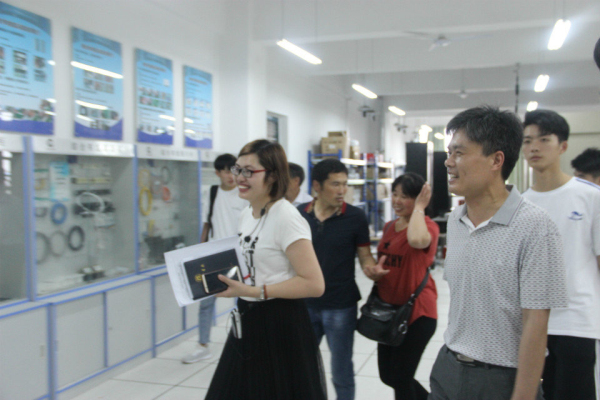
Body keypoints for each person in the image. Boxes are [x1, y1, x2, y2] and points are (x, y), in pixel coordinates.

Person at [428, 106, 568, 400]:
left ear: (496, 160)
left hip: (501, 379)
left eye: (459, 153)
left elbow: (536, 324)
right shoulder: (456, 220)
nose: (448, 162)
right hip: (448, 367)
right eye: (449, 153)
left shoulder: (535, 226)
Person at [205, 139, 327, 400]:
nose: (239, 177)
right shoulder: (247, 213)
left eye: (249, 171)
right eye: (238, 169)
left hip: (280, 321)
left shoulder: (286, 217)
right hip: (248, 316)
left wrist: (253, 291)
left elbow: (314, 284)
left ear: (272, 175)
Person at [522, 109, 600, 400]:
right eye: (527, 141)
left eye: (544, 139)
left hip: (577, 322)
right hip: (532, 324)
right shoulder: (520, 204)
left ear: (562, 146)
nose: (534, 147)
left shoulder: (590, 196)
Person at [298, 159, 382, 400]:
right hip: (304, 303)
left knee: (341, 368)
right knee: (302, 364)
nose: (342, 190)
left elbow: (364, 255)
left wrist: (371, 268)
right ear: (317, 186)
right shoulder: (298, 215)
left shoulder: (355, 217)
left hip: (340, 304)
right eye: (335, 184)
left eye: (345, 184)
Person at [371, 172, 439, 400]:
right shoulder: (390, 226)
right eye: (395, 194)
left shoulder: (428, 226)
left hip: (417, 313)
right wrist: (374, 272)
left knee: (401, 378)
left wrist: (419, 208)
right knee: (388, 375)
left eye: (405, 196)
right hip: (389, 312)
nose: (397, 200)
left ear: (419, 198)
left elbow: (417, 241)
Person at [181, 153, 248, 364]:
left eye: (234, 171)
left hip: (239, 256)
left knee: (243, 302)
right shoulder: (211, 193)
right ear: (217, 173)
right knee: (206, 302)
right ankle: (203, 346)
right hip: (213, 257)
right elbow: (207, 224)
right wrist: (199, 252)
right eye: (226, 171)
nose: (231, 176)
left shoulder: (244, 194)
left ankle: (244, 343)